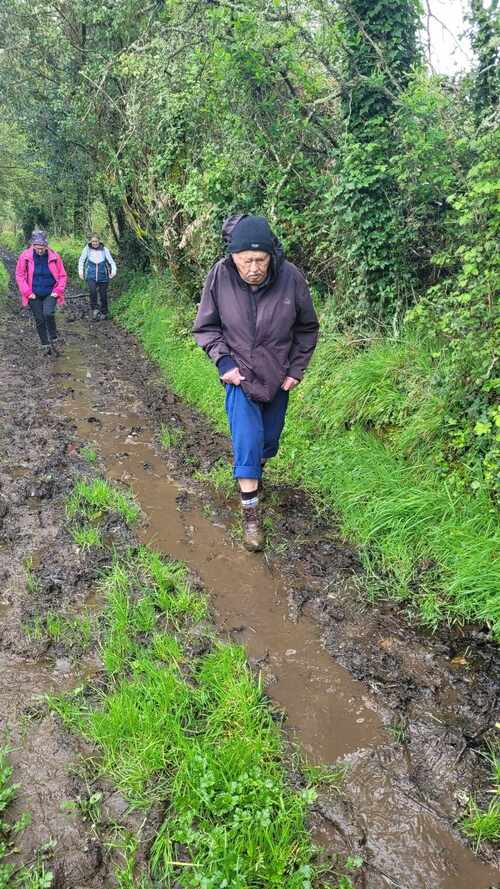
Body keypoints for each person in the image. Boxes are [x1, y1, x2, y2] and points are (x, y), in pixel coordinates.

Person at [193, 214, 319, 552]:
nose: (253, 267)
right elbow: (206, 327)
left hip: (278, 378)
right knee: (247, 443)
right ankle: (251, 517)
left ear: (271, 255)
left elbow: (307, 328)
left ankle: (254, 475)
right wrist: (224, 361)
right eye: (245, 260)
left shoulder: (291, 278)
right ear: (232, 257)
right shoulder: (219, 276)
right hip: (240, 376)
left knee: (268, 442)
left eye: (260, 259)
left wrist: (296, 369)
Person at [15, 230, 67, 356]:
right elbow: (19, 275)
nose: (40, 250)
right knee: (39, 319)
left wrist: (58, 290)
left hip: (51, 292)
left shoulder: (54, 256)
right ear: (33, 245)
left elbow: (62, 275)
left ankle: (54, 336)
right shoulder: (25, 256)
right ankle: (45, 344)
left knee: (48, 314)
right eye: (37, 247)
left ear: (46, 245)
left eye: (42, 247)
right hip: (33, 293)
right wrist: (27, 292)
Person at [78, 233, 116, 320]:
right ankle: (95, 309)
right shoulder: (87, 249)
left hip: (103, 276)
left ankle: (104, 312)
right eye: (92, 241)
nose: (94, 243)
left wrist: (113, 271)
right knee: (93, 292)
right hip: (90, 275)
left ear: (99, 241)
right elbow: (81, 260)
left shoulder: (104, 250)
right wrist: (81, 272)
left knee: (103, 295)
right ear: (90, 241)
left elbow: (111, 262)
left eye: (96, 241)